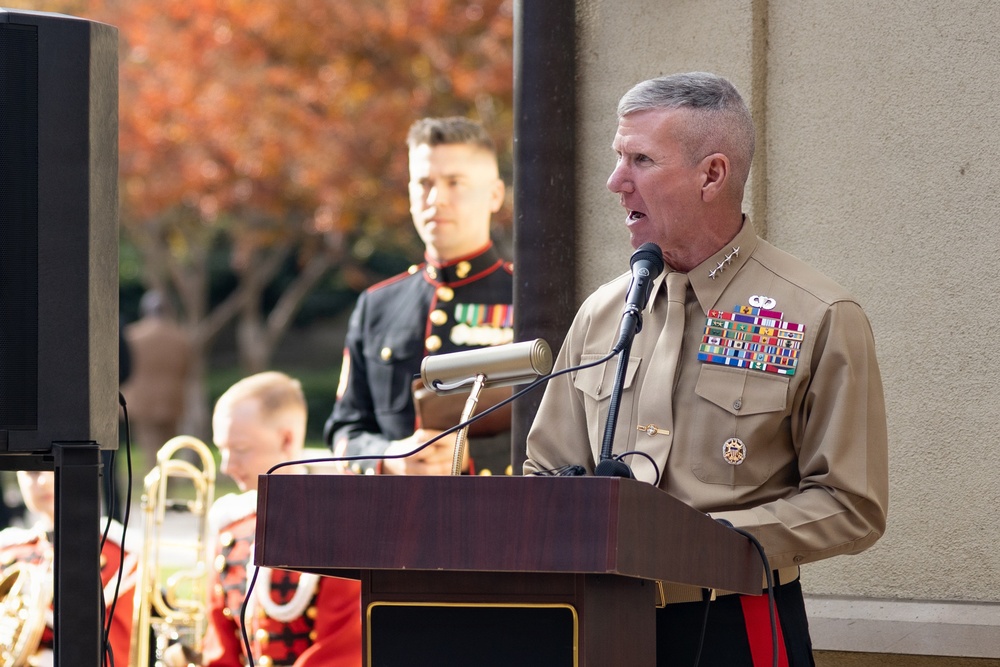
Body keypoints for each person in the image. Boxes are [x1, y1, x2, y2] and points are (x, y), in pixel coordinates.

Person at [523, 72, 888, 665]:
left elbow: (852, 505)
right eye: (619, 158)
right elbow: (544, 470)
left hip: (737, 623)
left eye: (640, 160)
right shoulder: (602, 313)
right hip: (600, 624)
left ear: (711, 175)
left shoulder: (817, 313)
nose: (616, 183)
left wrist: (699, 546)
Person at [324, 117, 515, 476]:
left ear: (494, 195)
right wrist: (388, 457)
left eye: (454, 183)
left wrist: (470, 457)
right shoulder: (377, 306)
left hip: (498, 516)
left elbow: (560, 425)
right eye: (424, 183)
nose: (436, 199)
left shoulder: (530, 300)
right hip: (392, 520)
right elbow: (343, 430)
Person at [198, 371, 362, 667]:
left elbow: (339, 654)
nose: (226, 466)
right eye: (222, 449)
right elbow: (220, 651)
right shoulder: (233, 533)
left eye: (241, 449)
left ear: (287, 439)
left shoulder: (341, 531)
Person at [0, 470, 137, 666]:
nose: (44, 480)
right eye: (32, 472)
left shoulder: (121, 552)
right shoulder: (9, 551)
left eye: (56, 470)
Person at [121, 289, 193, 463]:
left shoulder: (133, 335)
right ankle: (168, 486)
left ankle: (155, 486)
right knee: (171, 448)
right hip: (172, 400)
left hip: (142, 401)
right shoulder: (180, 336)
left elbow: (124, 366)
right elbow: (187, 369)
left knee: (150, 449)